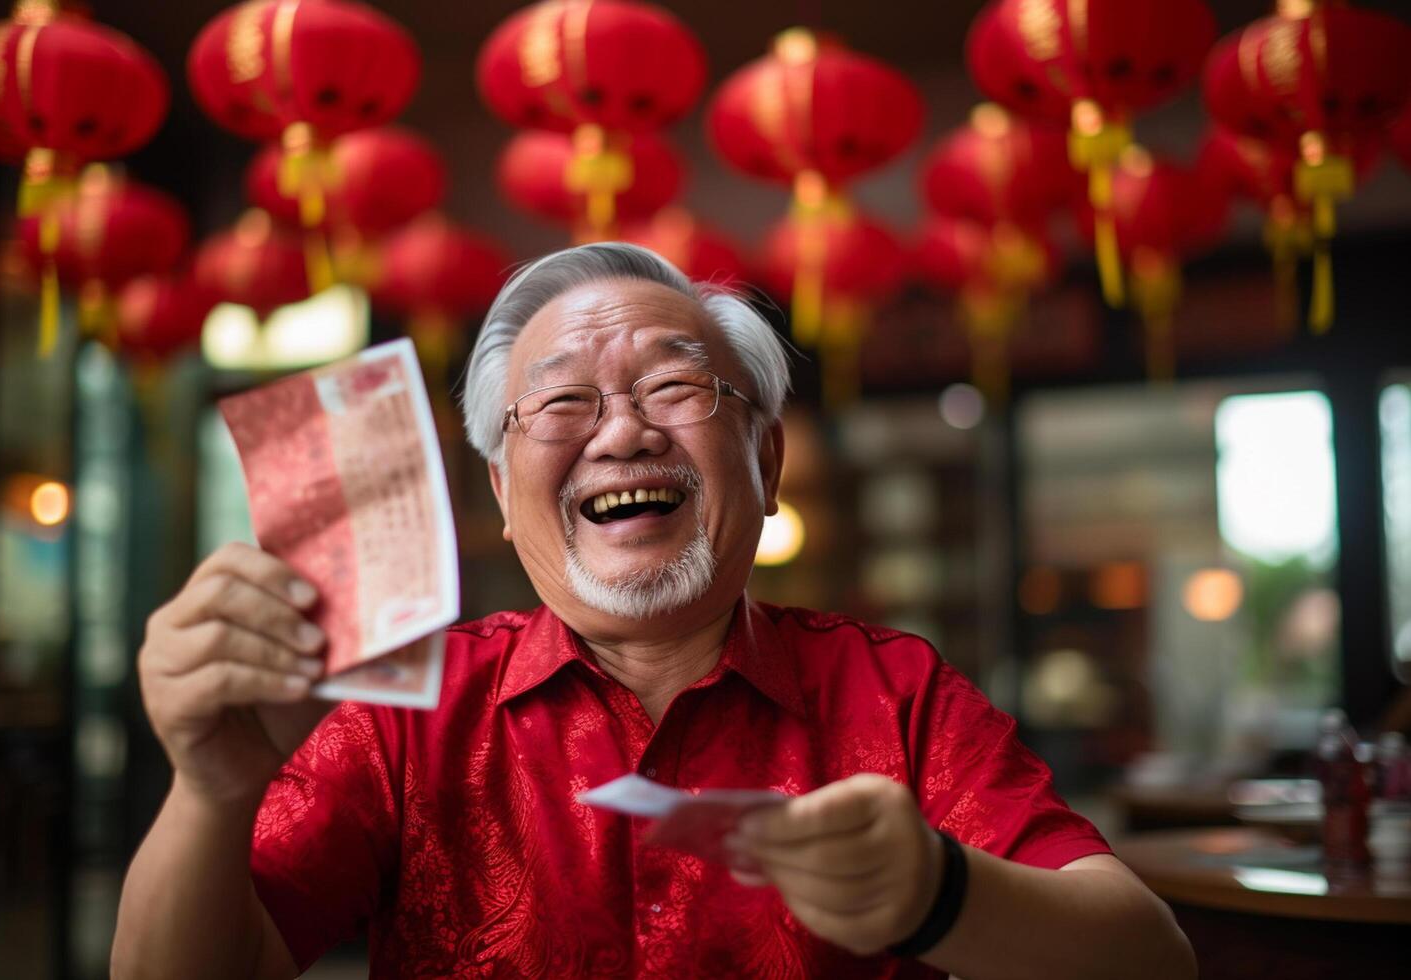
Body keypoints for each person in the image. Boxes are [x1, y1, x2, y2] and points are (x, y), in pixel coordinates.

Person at [113, 243, 1195, 979]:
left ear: (765, 460)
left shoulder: (895, 692)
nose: (622, 432)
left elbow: (1150, 955)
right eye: (565, 400)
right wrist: (210, 789)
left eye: (676, 387)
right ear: (500, 491)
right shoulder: (406, 710)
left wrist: (939, 891)